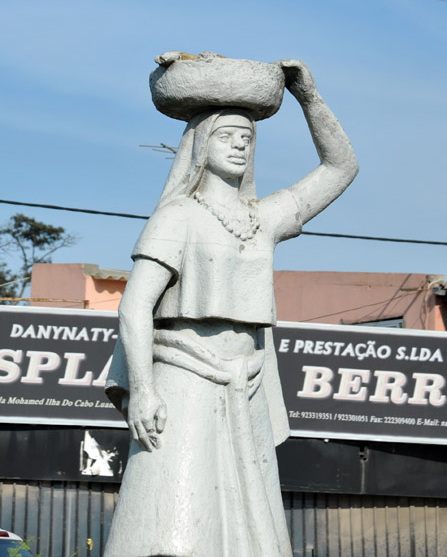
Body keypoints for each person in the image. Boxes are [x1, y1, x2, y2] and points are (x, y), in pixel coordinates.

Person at [104, 59, 358, 557]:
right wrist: (144, 391)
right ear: (201, 146)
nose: (242, 144)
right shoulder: (177, 217)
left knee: (247, 533)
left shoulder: (263, 219)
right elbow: (135, 306)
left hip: (249, 381)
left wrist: (310, 98)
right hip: (184, 377)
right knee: (174, 521)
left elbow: (341, 168)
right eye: (228, 137)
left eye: (248, 137)